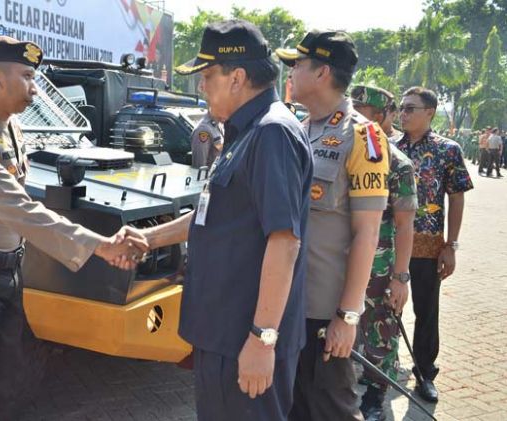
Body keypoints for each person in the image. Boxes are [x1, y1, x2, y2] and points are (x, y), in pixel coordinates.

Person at [0, 35, 148, 421]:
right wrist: (100, 245)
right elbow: (21, 210)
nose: (35, 87)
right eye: (27, 76)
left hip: (3, 274)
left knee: (11, 382)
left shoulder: (8, 128)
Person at [130, 19, 312, 421]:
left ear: (238, 78)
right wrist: (149, 239)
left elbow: (285, 242)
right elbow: (216, 214)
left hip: (245, 340)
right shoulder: (244, 132)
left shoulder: (271, 134)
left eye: (208, 75)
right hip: (224, 335)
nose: (201, 86)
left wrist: (263, 340)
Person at [276, 30, 390, 421]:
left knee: (332, 411)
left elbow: (367, 233)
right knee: (293, 410)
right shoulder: (296, 129)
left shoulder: (363, 136)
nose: (290, 72)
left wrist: (348, 316)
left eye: (297, 64)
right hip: (286, 306)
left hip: (325, 314)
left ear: (322, 72)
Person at [396, 86, 473, 403]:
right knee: (386, 308)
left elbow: (456, 198)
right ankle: (382, 369)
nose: (404, 113)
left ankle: (424, 373)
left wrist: (451, 245)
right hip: (390, 243)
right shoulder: (389, 148)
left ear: (430, 112)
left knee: (426, 311)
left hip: (428, 246)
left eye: (410, 108)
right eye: (401, 107)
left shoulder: (448, 150)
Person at [351, 85, 418, 421]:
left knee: (381, 328)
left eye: (360, 107)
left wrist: (401, 277)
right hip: (342, 259)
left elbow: (406, 225)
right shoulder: (344, 150)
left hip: (380, 265)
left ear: (378, 116)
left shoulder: (398, 163)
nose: (352, 112)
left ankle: (377, 393)